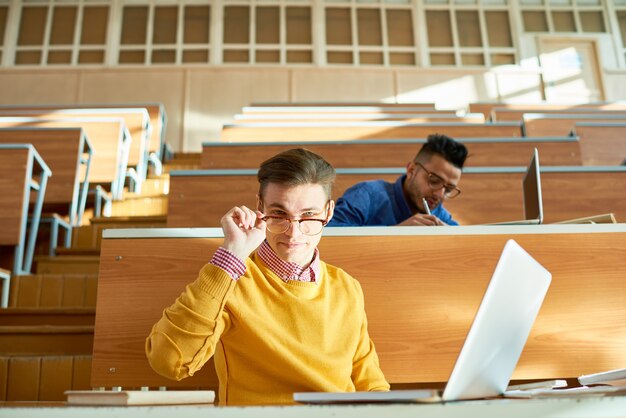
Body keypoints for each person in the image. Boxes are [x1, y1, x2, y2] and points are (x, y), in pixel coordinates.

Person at [145, 148, 389, 406]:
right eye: (279, 214)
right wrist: (232, 254)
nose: (293, 233)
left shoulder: (347, 287)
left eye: (308, 216)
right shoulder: (230, 279)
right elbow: (169, 361)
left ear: (328, 212)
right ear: (260, 208)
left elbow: (370, 382)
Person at [329, 134, 467, 226]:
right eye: (434, 180)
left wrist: (451, 239)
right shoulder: (366, 195)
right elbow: (330, 237)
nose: (439, 194)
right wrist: (395, 234)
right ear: (411, 170)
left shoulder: (441, 216)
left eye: (448, 189)